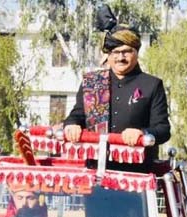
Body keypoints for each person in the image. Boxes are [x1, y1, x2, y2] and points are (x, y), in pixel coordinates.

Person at [62, 5, 170, 172]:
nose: (120, 57)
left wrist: (142, 132)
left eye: (126, 52)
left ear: (136, 52)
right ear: (108, 55)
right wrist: (72, 125)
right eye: (115, 52)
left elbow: (163, 129)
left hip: (137, 176)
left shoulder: (152, 85)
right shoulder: (92, 82)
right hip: (94, 173)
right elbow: (77, 115)